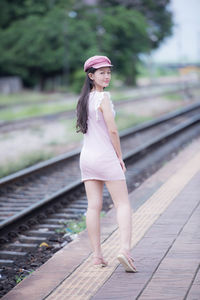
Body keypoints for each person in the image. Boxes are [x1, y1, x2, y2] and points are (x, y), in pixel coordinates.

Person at [76, 55, 137, 272]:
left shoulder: (84, 99)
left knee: (94, 206)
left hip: (87, 159)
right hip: (105, 157)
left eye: (109, 72)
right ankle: (125, 251)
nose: (107, 76)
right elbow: (112, 130)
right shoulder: (104, 98)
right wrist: (119, 157)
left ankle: (97, 256)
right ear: (91, 76)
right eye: (101, 72)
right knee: (122, 204)